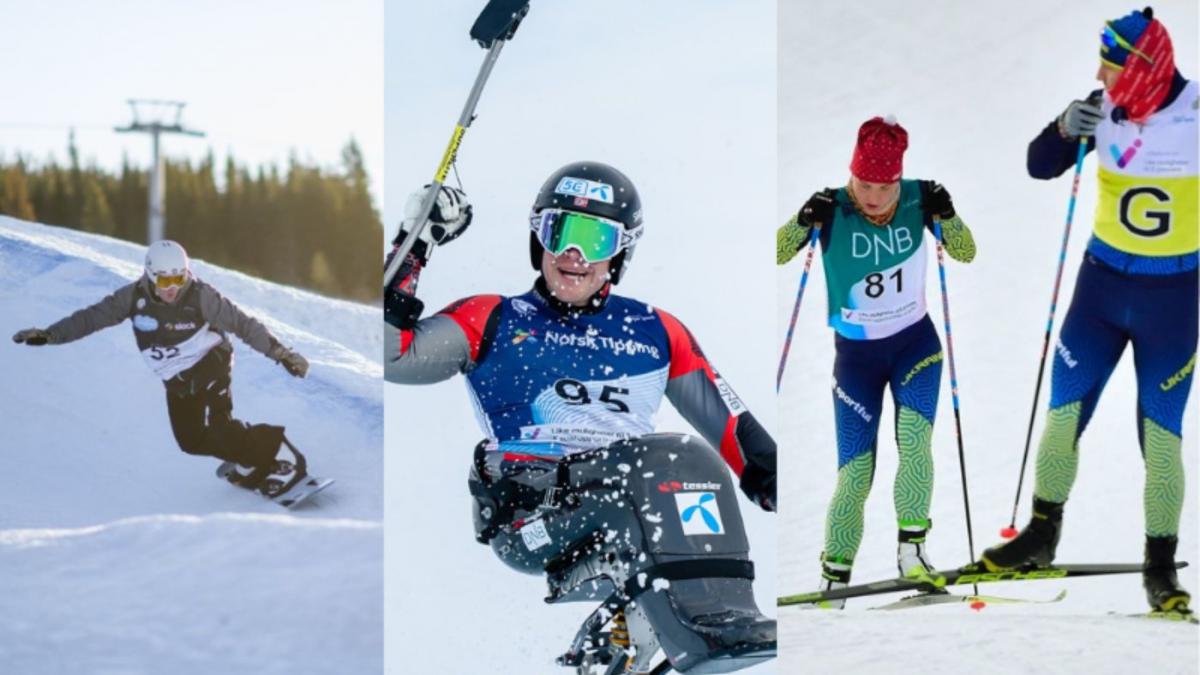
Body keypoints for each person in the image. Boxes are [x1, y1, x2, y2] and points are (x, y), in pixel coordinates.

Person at [384, 162, 776, 671]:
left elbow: (733, 429)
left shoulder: (654, 329)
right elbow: (391, 353)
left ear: (621, 250)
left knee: (691, 463)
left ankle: (630, 636)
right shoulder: (494, 317)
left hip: (635, 506)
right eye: (561, 232)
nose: (573, 254)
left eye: (594, 239)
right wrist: (415, 243)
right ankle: (709, 626)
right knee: (669, 458)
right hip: (533, 516)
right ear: (538, 237)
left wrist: (773, 479)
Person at [981, 7, 1196, 616]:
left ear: (1144, 64)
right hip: (1098, 294)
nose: (1099, 72)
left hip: (1172, 302)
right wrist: (1060, 128)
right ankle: (1040, 537)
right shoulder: (1102, 108)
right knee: (1062, 415)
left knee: (1161, 440)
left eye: (1111, 60)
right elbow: (1038, 164)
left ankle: (1160, 570)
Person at [776, 116, 976, 607]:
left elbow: (966, 252)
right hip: (857, 362)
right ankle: (835, 579)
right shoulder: (833, 206)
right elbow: (779, 252)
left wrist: (947, 216)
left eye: (883, 187)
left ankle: (913, 554)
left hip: (915, 348)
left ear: (898, 181)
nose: (871, 196)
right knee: (854, 473)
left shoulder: (918, 198)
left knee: (913, 440)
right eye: (863, 183)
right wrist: (801, 221)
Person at [12, 240, 313, 496]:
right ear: (150, 276)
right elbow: (92, 317)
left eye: (179, 279)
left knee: (220, 424)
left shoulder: (201, 296)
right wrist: (52, 334)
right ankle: (245, 456)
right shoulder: (132, 298)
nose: (173, 288)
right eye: (165, 281)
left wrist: (281, 354)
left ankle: (272, 451)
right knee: (190, 441)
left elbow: (243, 325)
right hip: (177, 380)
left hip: (211, 362)